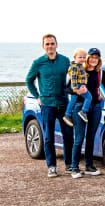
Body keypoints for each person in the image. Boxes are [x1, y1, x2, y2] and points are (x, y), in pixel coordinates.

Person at [69, 48, 105, 178]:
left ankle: (89, 166)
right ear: (87, 58)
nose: (94, 59)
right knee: (79, 138)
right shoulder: (81, 70)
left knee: (91, 137)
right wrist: (76, 91)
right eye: (91, 57)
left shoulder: (101, 73)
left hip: (96, 107)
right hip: (80, 107)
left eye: (96, 57)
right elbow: (67, 88)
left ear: (99, 59)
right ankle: (74, 167)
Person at [25, 34, 73, 178]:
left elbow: (73, 77)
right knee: (48, 137)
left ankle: (69, 165)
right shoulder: (38, 63)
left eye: (52, 43)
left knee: (68, 135)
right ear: (43, 46)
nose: (50, 46)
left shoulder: (65, 61)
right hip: (47, 105)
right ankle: (51, 166)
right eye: (47, 44)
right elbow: (29, 80)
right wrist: (37, 96)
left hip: (64, 103)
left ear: (56, 45)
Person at [63, 48, 92, 126]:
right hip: (77, 85)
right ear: (74, 57)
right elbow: (74, 78)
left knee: (72, 101)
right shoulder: (75, 67)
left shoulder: (80, 66)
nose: (82, 59)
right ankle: (83, 111)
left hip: (78, 85)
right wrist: (75, 88)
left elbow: (82, 75)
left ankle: (67, 114)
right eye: (80, 57)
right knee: (89, 97)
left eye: (84, 57)